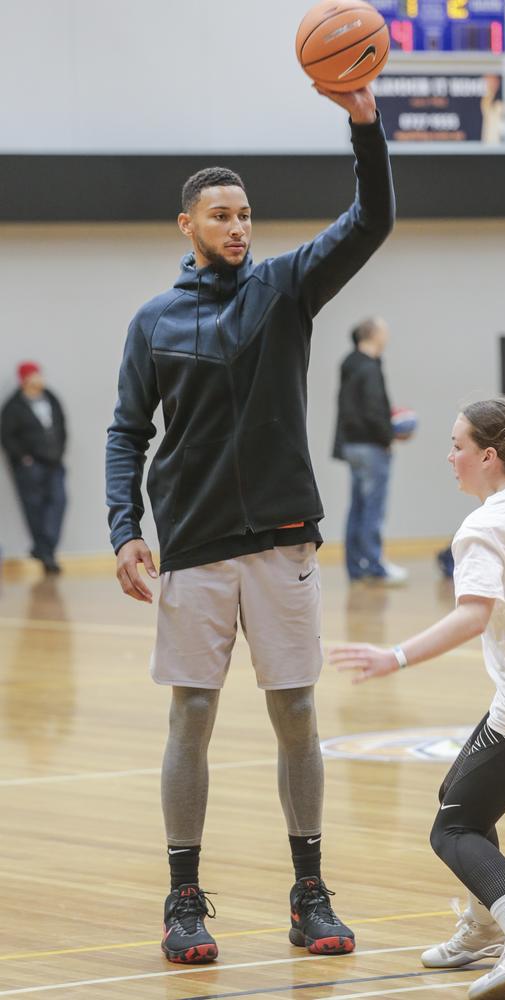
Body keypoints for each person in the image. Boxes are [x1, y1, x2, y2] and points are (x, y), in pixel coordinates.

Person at [105, 83, 394, 965]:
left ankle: (310, 894)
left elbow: (372, 218)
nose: (239, 226)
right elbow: (127, 430)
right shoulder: (153, 321)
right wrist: (125, 527)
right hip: (192, 548)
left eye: (246, 214)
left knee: (298, 712)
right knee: (191, 714)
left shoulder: (285, 288)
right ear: (186, 225)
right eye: (221, 214)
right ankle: (182, 899)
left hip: (281, 541)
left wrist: (364, 122)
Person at [331, 397, 505, 1000]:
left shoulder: (483, 527)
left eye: (457, 445)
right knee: (458, 794)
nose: (448, 456)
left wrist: (392, 656)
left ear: (487, 456)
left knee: (452, 829)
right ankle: (483, 928)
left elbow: (471, 617)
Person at [333, 317, 408, 584]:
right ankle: (375, 565)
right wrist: (388, 436)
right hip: (371, 446)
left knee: (357, 507)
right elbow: (374, 410)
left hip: (352, 446)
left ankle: (356, 566)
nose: (387, 335)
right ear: (373, 334)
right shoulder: (369, 367)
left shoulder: (350, 363)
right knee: (373, 508)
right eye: (384, 330)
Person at [1, 361, 67, 574]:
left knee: (59, 501)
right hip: (30, 467)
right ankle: (46, 554)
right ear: (25, 379)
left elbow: (61, 425)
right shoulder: (13, 406)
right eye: (35, 376)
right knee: (34, 508)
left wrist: (60, 450)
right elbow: (7, 436)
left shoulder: (51, 397)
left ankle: (43, 548)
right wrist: (23, 458)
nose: (40, 379)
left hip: (54, 462)